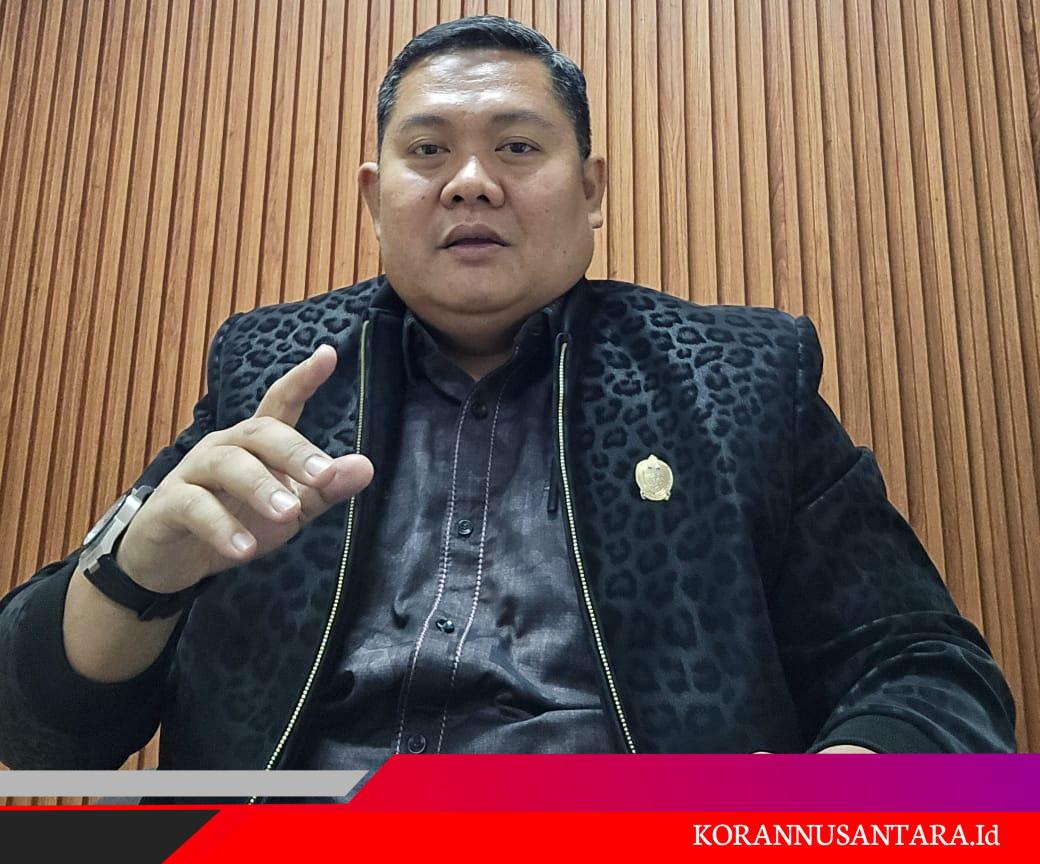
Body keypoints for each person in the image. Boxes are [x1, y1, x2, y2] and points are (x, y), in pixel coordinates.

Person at [0, 16, 1015, 780]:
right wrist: (141, 574)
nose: (471, 182)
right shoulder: (274, 374)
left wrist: (823, 806)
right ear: (376, 199)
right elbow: (37, 731)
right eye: (428, 151)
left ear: (592, 190)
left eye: (518, 147)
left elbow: (924, 667)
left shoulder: (741, 376)